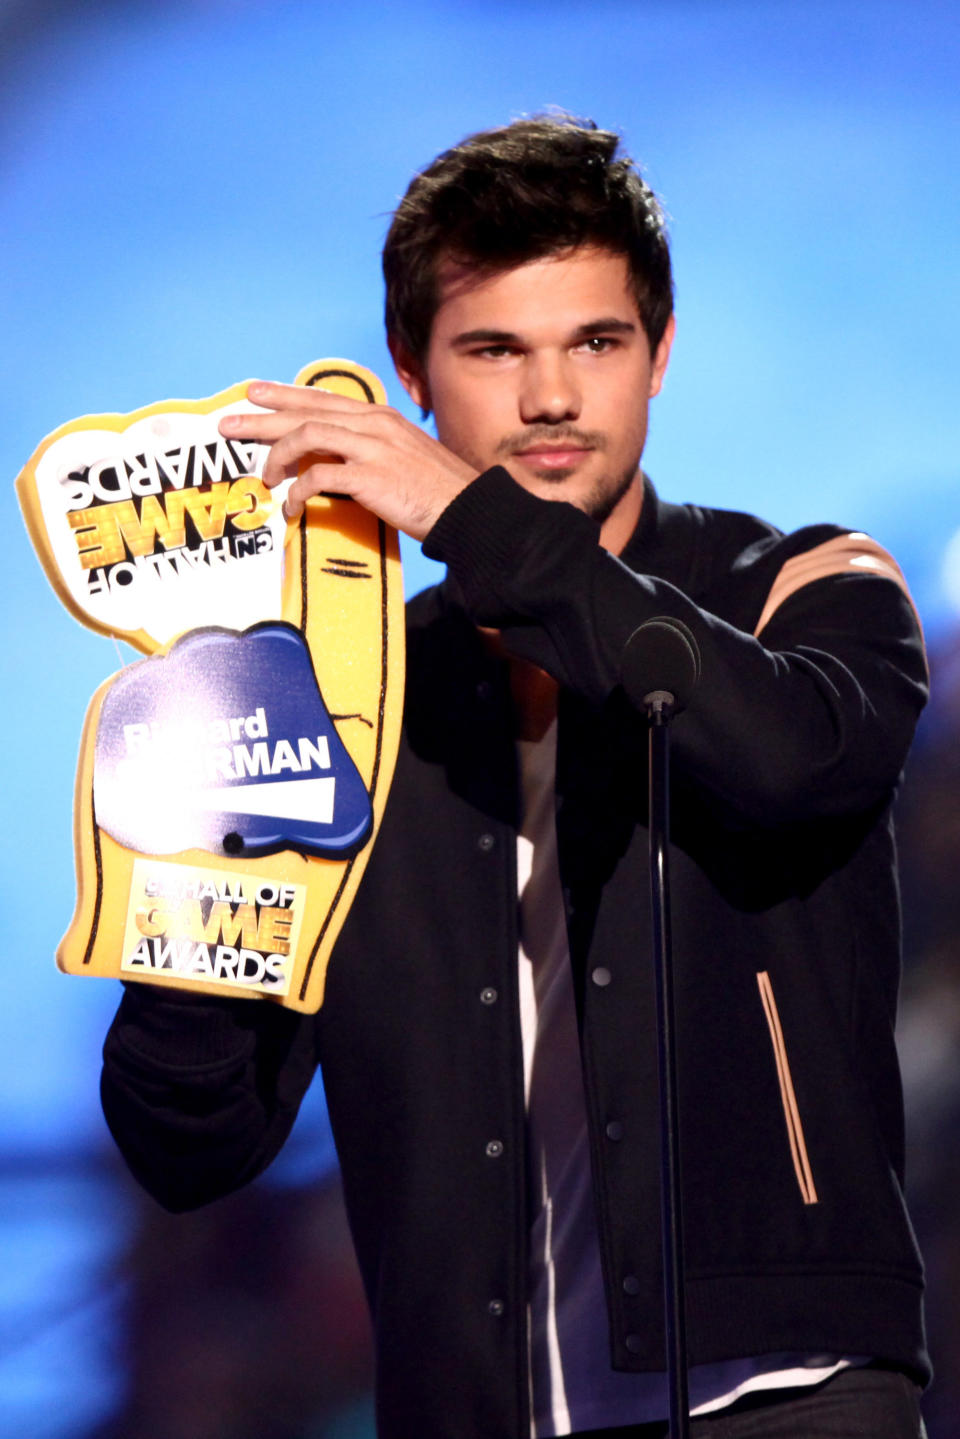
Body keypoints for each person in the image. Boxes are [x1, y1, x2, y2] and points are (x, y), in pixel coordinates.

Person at [100, 115, 931, 1437]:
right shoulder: (343, 702)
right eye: (493, 350)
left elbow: (787, 761)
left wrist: (475, 523)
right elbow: (188, 1144)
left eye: (594, 343)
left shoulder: (806, 588)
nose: (551, 399)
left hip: (786, 1395)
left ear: (660, 355)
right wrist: (202, 867)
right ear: (411, 378)